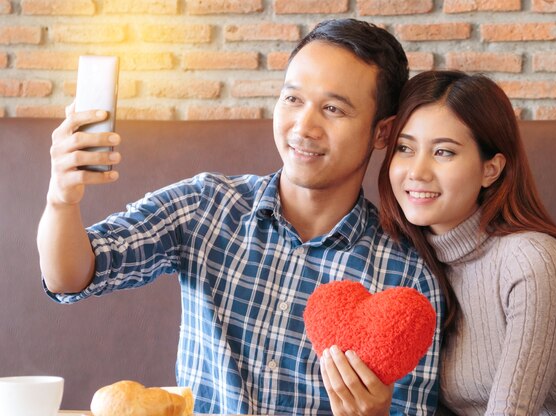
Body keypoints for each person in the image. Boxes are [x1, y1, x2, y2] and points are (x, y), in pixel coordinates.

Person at [37, 19, 445, 415]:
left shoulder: (407, 276)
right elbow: (72, 276)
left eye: (334, 109)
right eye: (292, 99)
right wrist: (61, 199)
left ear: (382, 133)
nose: (304, 126)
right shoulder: (206, 204)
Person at [378, 70, 556, 415]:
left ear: (490, 169)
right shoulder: (413, 264)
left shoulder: (534, 262)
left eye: (443, 152)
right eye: (404, 148)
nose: (417, 171)